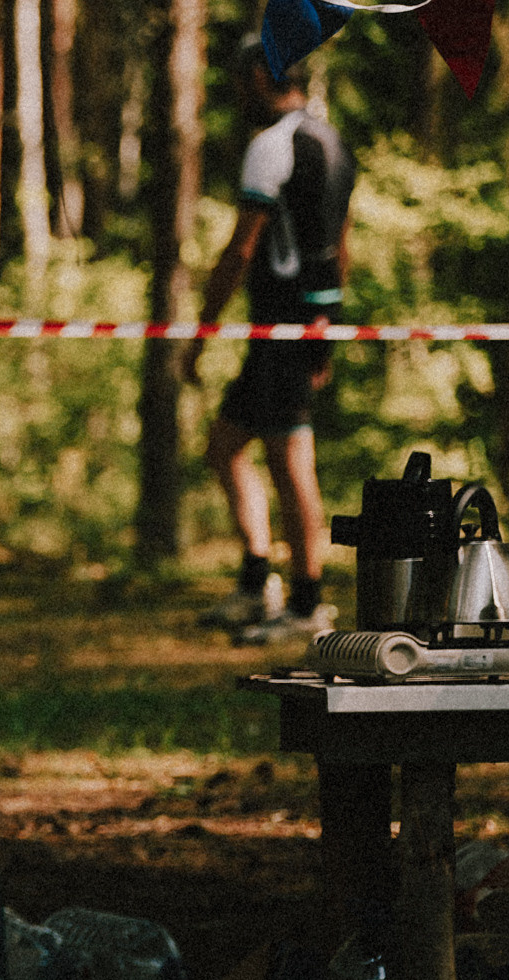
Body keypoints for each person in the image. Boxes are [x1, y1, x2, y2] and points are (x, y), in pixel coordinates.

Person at [183, 39, 354, 646]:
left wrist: (202, 331)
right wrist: (327, 327)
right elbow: (342, 244)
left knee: (291, 467)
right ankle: (258, 582)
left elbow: (242, 249)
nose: (236, 93)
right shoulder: (334, 142)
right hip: (299, 328)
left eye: (240, 81)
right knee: (225, 448)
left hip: (282, 327)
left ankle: (307, 602)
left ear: (261, 76)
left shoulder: (272, 145)